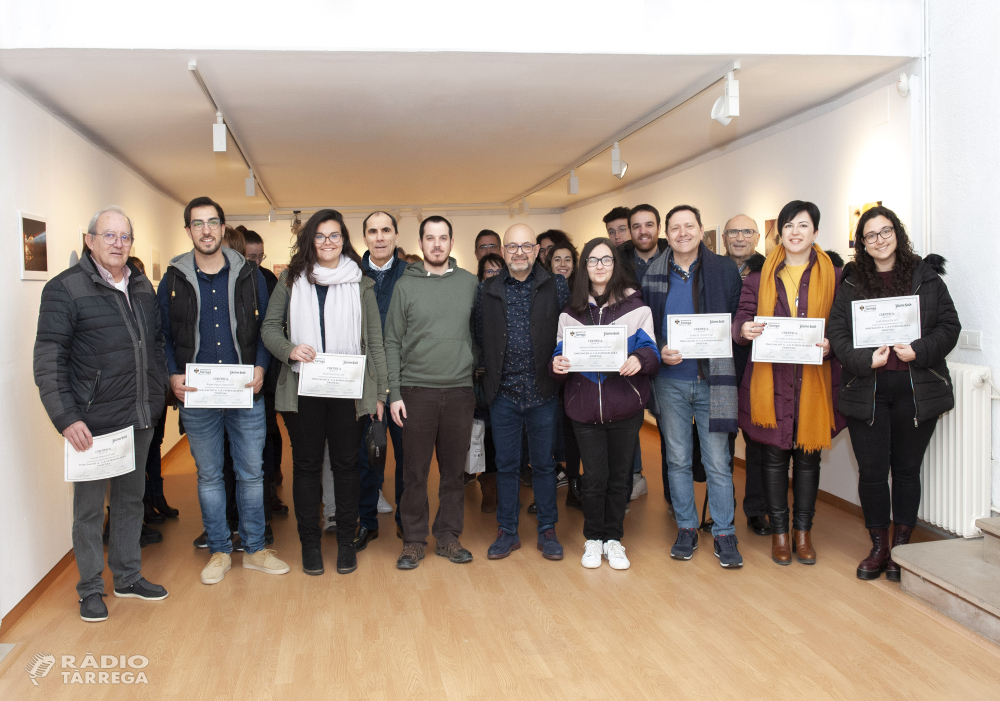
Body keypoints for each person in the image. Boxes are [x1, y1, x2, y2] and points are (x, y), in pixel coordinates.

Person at [34, 205, 169, 622]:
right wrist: (67, 418)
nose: (118, 243)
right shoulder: (65, 288)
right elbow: (48, 358)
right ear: (89, 240)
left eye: (125, 236)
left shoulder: (142, 285)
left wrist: (159, 389)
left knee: (131, 500)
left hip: (139, 416)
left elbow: (156, 344)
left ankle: (127, 577)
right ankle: (90, 588)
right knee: (89, 511)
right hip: (91, 425)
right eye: (108, 235)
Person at [158, 196, 289, 585]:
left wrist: (263, 366)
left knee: (251, 474)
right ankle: (218, 550)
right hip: (197, 395)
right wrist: (171, 375)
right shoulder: (174, 278)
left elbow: (269, 328)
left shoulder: (249, 275)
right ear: (188, 231)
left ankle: (254, 550)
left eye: (213, 222)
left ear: (222, 226)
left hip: (244, 392)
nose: (206, 230)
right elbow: (163, 335)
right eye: (197, 224)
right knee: (210, 476)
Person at [828, 206, 960, 581]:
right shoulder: (852, 283)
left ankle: (901, 546)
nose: (880, 240)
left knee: (906, 470)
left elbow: (950, 326)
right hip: (866, 391)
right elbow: (838, 334)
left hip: (915, 390)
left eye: (886, 231)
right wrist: (863, 359)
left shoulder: (925, 276)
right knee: (871, 472)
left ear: (897, 234)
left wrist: (919, 349)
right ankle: (878, 547)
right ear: (862, 244)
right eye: (871, 235)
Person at [261, 209, 388, 576]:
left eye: (334, 236)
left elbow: (374, 343)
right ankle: (310, 545)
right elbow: (270, 328)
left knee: (347, 467)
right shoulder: (289, 279)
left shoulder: (360, 283)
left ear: (344, 240)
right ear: (310, 241)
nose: (328, 242)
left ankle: (346, 542)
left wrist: (379, 391)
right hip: (304, 389)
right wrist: (289, 349)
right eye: (320, 236)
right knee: (306, 468)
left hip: (349, 391)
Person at [735, 201, 845, 566]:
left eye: (803, 225)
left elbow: (843, 328)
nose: (795, 232)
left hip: (815, 381)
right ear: (779, 233)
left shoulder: (836, 276)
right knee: (773, 458)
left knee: (808, 459)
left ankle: (803, 533)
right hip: (772, 381)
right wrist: (744, 330)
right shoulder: (757, 277)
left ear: (815, 232)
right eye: (788, 226)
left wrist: (833, 345)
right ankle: (780, 534)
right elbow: (741, 321)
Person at [642, 204, 745, 568]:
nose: (682, 232)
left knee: (718, 461)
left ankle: (724, 531)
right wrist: (658, 350)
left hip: (715, 380)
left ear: (701, 231)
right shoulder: (652, 273)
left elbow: (735, 320)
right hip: (670, 381)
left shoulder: (724, 269)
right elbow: (645, 329)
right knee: (678, 459)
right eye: (675, 227)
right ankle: (686, 526)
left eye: (689, 226)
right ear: (666, 234)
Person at [551, 238, 659, 570]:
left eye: (606, 260)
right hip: (584, 410)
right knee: (593, 478)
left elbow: (652, 354)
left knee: (620, 478)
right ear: (584, 268)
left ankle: (614, 540)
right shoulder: (570, 313)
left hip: (625, 408)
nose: (600, 266)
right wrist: (556, 364)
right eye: (593, 260)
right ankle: (592, 539)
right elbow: (559, 355)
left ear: (616, 265)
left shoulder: (637, 308)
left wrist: (639, 359)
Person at [385, 216, 479, 569]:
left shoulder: (470, 284)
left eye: (443, 238)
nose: (436, 244)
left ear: (451, 243)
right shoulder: (405, 287)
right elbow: (391, 341)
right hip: (415, 392)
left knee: (454, 472)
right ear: (421, 243)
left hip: (458, 392)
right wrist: (394, 392)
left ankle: (448, 537)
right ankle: (413, 540)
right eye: (430, 238)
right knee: (414, 473)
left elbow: (480, 334)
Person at [474, 224, 571, 560]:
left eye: (525, 246)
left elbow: (569, 329)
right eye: (511, 246)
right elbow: (478, 334)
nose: (518, 252)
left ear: (535, 250)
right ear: (502, 250)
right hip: (504, 394)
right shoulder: (487, 289)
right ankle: (508, 531)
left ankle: (547, 530)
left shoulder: (555, 285)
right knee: (506, 465)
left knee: (544, 465)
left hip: (543, 392)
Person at [353, 211, 409, 550]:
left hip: (404, 382)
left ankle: (406, 523)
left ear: (396, 235)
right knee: (366, 457)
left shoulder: (412, 274)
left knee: (407, 456)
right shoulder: (349, 274)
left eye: (386, 230)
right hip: (365, 383)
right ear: (365, 238)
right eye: (372, 231)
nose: (379, 237)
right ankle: (367, 523)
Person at [723, 215, 769, 536]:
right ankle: (721, 509)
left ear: (756, 237)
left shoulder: (769, 271)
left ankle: (756, 509)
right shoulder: (712, 269)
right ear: (724, 237)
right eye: (734, 232)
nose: (740, 237)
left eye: (747, 231)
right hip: (721, 364)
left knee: (757, 442)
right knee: (721, 443)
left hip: (758, 364)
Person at [242, 229, 286, 516]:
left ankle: (270, 494)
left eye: (261, 257)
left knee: (269, 436)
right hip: (236, 380)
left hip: (266, 376)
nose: (256, 262)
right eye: (250, 257)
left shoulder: (268, 280)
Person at [544, 240, 582, 510]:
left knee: (573, 431)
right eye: (557, 259)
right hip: (550, 371)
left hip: (578, 373)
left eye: (568, 259)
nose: (563, 264)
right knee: (549, 430)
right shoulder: (543, 290)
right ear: (549, 263)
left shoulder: (584, 291)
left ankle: (575, 487)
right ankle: (547, 490)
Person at [473, 253, 506, 512]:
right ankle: (488, 486)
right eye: (488, 272)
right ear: (481, 276)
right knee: (486, 435)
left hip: (510, 379)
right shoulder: (476, 300)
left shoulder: (514, 299)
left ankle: (507, 489)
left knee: (507, 434)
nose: (493, 276)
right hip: (483, 378)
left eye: (498, 271)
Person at [620, 204, 669, 286]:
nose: (643, 231)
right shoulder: (618, 264)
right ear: (630, 232)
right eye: (636, 226)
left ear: (659, 228)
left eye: (649, 225)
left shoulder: (674, 258)